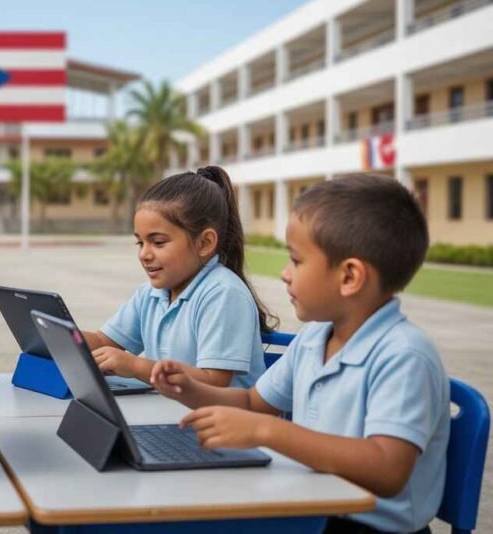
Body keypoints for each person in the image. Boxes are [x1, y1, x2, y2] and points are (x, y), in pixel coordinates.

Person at [152, 174, 448, 534]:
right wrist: (192, 390)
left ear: (350, 276)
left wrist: (265, 431)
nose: (285, 274)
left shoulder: (404, 356)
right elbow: (253, 401)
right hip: (313, 505)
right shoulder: (313, 338)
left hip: (366, 525)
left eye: (296, 261)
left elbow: (387, 470)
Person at [84, 166, 272, 388]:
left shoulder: (224, 293)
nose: (144, 254)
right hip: (172, 412)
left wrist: (136, 366)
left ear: (204, 243)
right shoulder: (151, 293)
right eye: (140, 242)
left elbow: (214, 381)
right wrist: (54, 336)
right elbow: (102, 342)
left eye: (158, 242)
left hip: (228, 419)